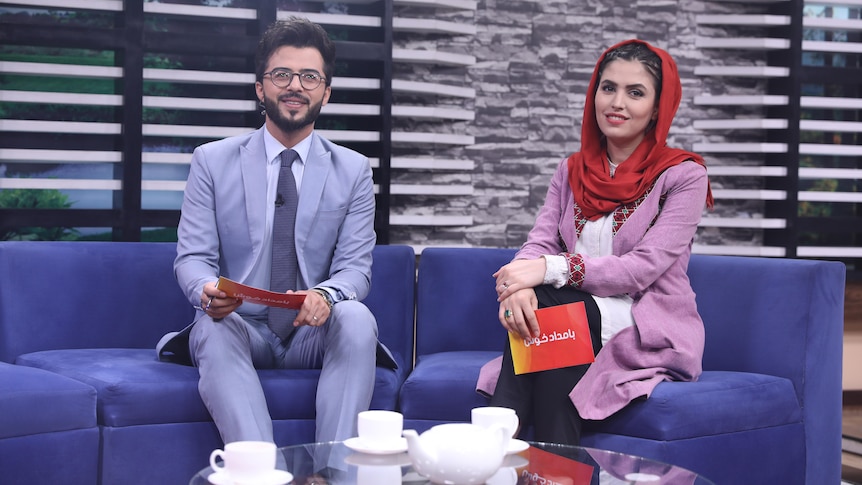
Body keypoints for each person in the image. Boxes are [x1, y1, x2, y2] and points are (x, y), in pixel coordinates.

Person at [156, 17, 390, 446]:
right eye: (281, 74)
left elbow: (356, 270)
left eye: (309, 76)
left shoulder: (354, 169)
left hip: (310, 332)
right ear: (261, 88)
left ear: (326, 91)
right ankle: (260, 472)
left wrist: (327, 295)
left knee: (356, 315)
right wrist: (207, 290)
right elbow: (192, 258)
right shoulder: (211, 161)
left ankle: (333, 469)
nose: (295, 86)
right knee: (209, 322)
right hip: (239, 326)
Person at [476, 39, 714, 445]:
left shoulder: (683, 177)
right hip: (571, 315)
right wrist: (518, 286)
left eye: (635, 92)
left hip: (643, 319)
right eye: (608, 88)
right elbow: (540, 240)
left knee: (556, 309)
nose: (617, 102)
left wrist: (548, 271)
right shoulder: (572, 170)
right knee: (558, 314)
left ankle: (492, 453)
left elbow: (641, 268)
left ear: (658, 107)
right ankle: (554, 468)